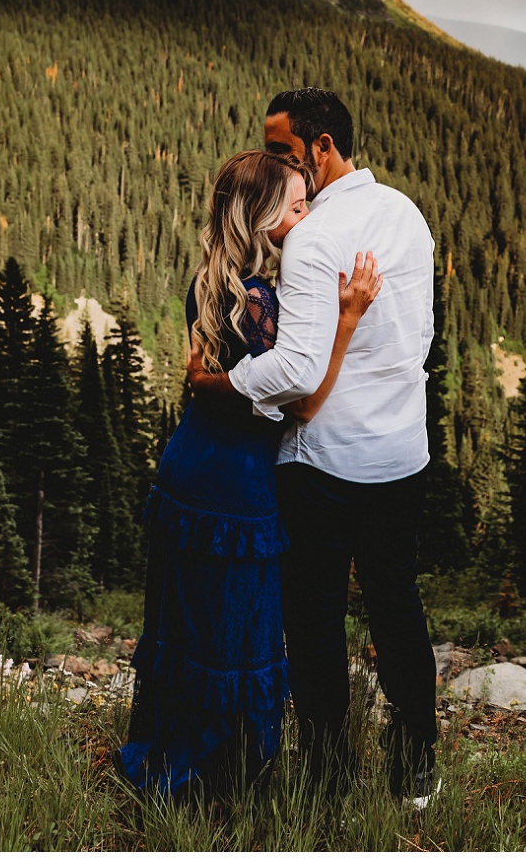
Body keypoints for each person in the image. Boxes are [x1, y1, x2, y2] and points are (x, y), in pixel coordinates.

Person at [185, 89, 440, 807]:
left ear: (320, 147)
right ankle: (417, 763)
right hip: (400, 452)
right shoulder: (406, 214)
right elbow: (419, 338)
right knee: (397, 604)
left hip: (322, 457)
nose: (270, 161)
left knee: (318, 620)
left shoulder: (309, 237)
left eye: (280, 150)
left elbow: (296, 370)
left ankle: (329, 775)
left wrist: (222, 380)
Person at [118, 149, 381, 798]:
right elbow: (307, 398)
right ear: (263, 221)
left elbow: (207, 377)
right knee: (234, 630)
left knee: (184, 625)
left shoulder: (211, 282)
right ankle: (215, 782)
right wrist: (347, 319)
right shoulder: (261, 301)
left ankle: (167, 759)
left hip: (188, 467)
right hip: (236, 485)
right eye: (295, 207)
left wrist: (212, 381)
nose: (307, 217)